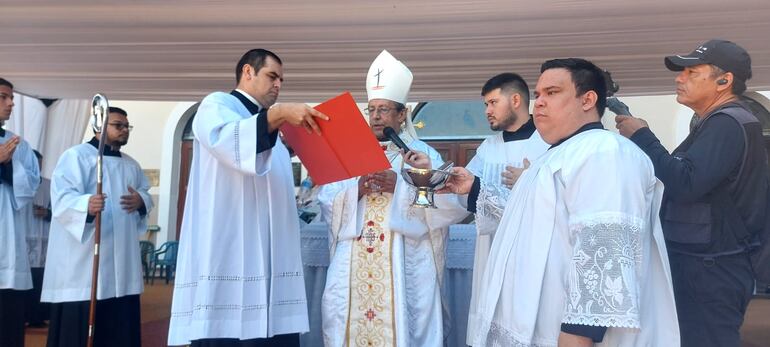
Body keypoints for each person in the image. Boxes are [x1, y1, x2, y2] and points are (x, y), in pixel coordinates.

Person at [471, 58, 679, 347]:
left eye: (552, 92)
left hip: (568, 334)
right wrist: (472, 191)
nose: (539, 102)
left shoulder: (604, 151)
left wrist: (578, 334)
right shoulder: (553, 156)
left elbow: (603, 248)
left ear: (587, 99)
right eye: (539, 94)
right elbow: (528, 227)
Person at [168, 48, 329, 347]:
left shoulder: (270, 128)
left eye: (281, 79)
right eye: (272, 76)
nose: (278, 84)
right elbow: (228, 140)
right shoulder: (218, 105)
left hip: (272, 252)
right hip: (230, 249)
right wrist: (279, 113)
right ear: (247, 72)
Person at [615, 39, 769, 347]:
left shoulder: (727, 122)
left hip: (712, 270)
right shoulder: (716, 122)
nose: (679, 78)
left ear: (724, 81)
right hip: (706, 265)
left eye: (691, 71)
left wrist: (642, 136)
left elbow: (686, 183)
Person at [318, 50, 466, 347]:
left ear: (402, 114)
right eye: (371, 109)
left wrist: (401, 186)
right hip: (355, 256)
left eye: (384, 110)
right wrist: (355, 190)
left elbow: (443, 208)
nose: (376, 116)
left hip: (405, 258)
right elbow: (327, 199)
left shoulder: (422, 154)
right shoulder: (348, 152)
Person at [440, 72, 549, 344]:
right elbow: (464, 197)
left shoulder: (547, 142)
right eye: (485, 105)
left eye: (492, 102)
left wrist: (530, 181)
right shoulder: (489, 148)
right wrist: (434, 184)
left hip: (532, 256)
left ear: (515, 100)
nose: (487, 111)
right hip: (491, 253)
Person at [42, 106, 153, 347]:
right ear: (98, 126)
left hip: (122, 262)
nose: (124, 130)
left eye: (127, 126)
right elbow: (61, 199)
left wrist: (141, 201)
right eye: (118, 125)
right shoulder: (76, 157)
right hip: (84, 263)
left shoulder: (131, 165)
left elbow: (145, 192)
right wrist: (86, 205)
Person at [0, 77, 41, 347]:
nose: (11, 102)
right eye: (4, 96)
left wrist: (7, 166)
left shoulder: (18, 143)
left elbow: (31, 185)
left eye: (12, 97)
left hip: (7, 240)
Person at [22, 150, 52, 327]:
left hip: (44, 238)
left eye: (40, 164)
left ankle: (38, 316)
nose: (38, 167)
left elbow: (61, 211)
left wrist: (47, 212)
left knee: (40, 280)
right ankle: (23, 316)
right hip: (22, 237)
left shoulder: (49, 185)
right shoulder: (16, 184)